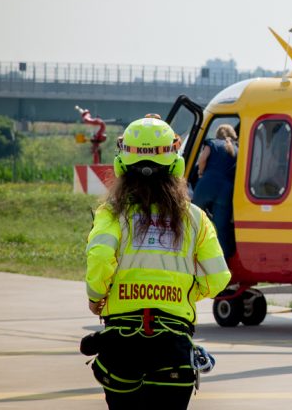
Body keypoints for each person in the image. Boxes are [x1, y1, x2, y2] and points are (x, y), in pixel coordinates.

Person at [84, 115, 231, 410]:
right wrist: (186, 293)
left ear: (122, 164)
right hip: (172, 345)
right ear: (175, 163)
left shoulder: (110, 214)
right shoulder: (195, 218)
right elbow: (219, 276)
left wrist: (96, 297)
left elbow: (100, 256)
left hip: (121, 345)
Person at [191, 124, 238, 258]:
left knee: (193, 219)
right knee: (221, 228)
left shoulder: (212, 143)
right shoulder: (237, 149)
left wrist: (200, 173)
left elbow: (202, 159)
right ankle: (222, 261)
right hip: (226, 190)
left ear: (218, 134)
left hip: (207, 184)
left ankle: (193, 252)